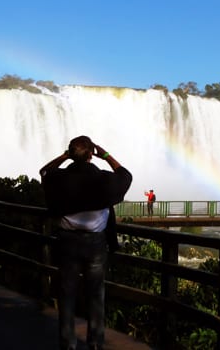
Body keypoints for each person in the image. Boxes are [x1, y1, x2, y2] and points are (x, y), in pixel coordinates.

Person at [40, 135, 132, 350]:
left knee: (67, 294)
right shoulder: (104, 180)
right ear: (92, 155)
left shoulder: (59, 178)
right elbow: (125, 176)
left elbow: (44, 171)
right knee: (96, 295)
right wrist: (106, 155)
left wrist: (64, 156)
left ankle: (67, 343)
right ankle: (96, 343)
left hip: (67, 243)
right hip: (96, 244)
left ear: (72, 155)